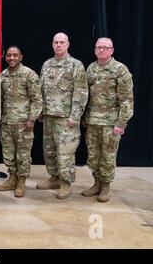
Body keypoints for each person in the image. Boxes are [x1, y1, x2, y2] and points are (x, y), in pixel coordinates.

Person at [82, 38, 134, 202]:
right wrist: (83, 117)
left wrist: (121, 122)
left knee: (108, 156)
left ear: (112, 50)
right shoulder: (91, 68)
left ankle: (106, 187)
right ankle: (96, 183)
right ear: (95, 50)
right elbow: (86, 96)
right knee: (93, 155)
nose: (101, 50)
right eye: (98, 47)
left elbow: (127, 100)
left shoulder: (120, 70)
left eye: (105, 47)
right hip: (92, 121)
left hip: (110, 123)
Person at [37, 32, 88, 199]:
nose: (58, 45)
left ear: (68, 44)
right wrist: (40, 110)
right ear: (52, 44)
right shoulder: (47, 64)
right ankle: (54, 177)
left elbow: (81, 92)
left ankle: (66, 183)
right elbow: (42, 90)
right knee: (49, 151)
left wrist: (75, 115)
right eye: (56, 42)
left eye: (61, 42)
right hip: (48, 116)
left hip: (66, 118)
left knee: (65, 153)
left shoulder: (75, 65)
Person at [0, 46, 43, 197]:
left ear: (21, 57)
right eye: (9, 55)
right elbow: (1, 100)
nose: (12, 58)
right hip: (7, 122)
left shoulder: (29, 74)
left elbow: (37, 99)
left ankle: (21, 182)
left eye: (15, 55)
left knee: (23, 154)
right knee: (9, 154)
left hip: (23, 123)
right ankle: (12, 178)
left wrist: (32, 119)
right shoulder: (2, 76)